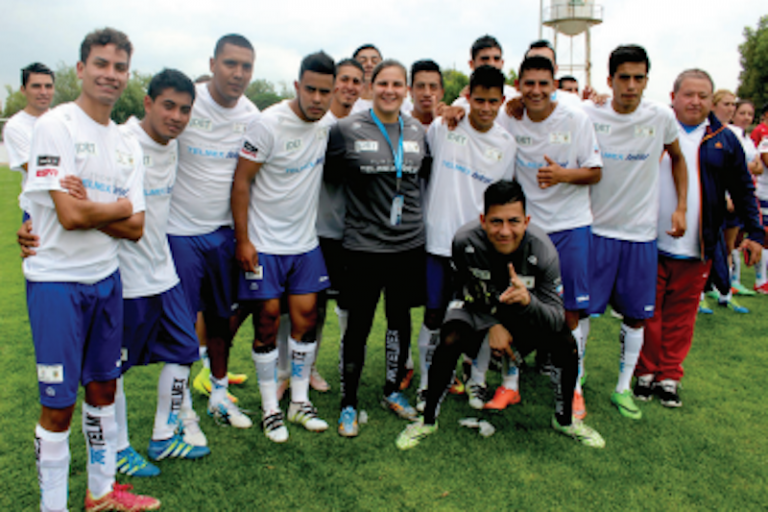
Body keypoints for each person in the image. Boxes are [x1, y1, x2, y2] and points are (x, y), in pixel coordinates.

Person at [20, 70, 211, 475]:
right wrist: (32, 223)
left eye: (184, 110)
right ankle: (119, 448)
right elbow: (50, 198)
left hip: (163, 270)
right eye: (168, 106)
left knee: (184, 350)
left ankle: (164, 436)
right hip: (121, 276)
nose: (176, 117)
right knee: (110, 371)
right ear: (147, 103)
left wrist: (93, 212)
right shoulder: (121, 140)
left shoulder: (177, 143)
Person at [21, 28, 159, 511]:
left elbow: (138, 226)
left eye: (120, 67)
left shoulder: (126, 143)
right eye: (101, 64)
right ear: (81, 69)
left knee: (103, 391)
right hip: (56, 281)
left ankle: (100, 493)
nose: (110, 74)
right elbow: (69, 216)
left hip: (106, 280)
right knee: (58, 408)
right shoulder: (56, 125)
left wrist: (103, 207)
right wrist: (117, 206)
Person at [395, 181, 605, 450]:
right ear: (483, 220)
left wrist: (528, 301)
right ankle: (427, 420)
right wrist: (494, 324)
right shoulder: (464, 241)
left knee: (565, 343)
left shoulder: (543, 250)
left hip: (525, 313)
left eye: (513, 221)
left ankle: (565, 421)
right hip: (481, 307)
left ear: (527, 221)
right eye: (496, 222)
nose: (505, 231)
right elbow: (463, 291)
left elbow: (555, 317)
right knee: (449, 337)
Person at [636, 69, 763, 408]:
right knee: (649, 312)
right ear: (673, 96)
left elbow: (744, 189)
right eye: (688, 94)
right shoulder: (652, 128)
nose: (695, 101)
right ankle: (645, 372)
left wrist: (757, 233)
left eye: (702, 96)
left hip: (698, 245)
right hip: (649, 240)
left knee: (682, 315)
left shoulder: (724, 139)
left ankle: (669, 376)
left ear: (712, 101)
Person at [231, 51, 336, 443]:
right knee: (268, 321)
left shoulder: (328, 123)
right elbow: (241, 183)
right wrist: (243, 240)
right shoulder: (268, 123)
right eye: (310, 89)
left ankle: (299, 401)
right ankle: (269, 409)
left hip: (304, 244)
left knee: (306, 319)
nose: (317, 99)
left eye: (324, 91)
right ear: (297, 86)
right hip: (265, 245)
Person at [581, 45, 687, 420]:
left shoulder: (660, 116)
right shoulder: (587, 113)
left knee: (637, 317)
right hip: (595, 231)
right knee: (581, 314)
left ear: (646, 79)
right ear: (609, 80)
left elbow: (677, 157)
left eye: (638, 77)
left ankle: (622, 387)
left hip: (640, 236)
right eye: (623, 77)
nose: (631, 85)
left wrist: (680, 206)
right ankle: (575, 383)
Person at [326, 59, 431, 437]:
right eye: (383, 83)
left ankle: (391, 391)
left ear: (405, 89)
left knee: (399, 321)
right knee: (358, 326)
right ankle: (349, 403)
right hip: (363, 246)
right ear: (371, 87)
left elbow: (423, 178)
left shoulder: (418, 130)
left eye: (397, 84)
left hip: (408, 245)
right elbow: (328, 178)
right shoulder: (345, 129)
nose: (390, 90)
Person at [494, 55, 602, 416]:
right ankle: (510, 384)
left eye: (544, 83)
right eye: (529, 84)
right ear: (519, 86)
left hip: (570, 225)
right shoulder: (509, 115)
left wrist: (562, 175)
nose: (536, 91)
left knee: (570, 311)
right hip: (526, 230)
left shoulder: (576, 119)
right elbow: (473, 109)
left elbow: (595, 172)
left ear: (555, 85)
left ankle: (573, 386)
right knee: (514, 303)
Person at [167, 34, 259, 431]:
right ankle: (180, 408)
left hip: (224, 233)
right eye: (230, 64)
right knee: (181, 326)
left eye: (246, 67)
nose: (238, 74)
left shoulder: (252, 115)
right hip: (180, 232)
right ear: (212, 63)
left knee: (221, 321)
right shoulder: (187, 102)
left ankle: (218, 396)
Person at [417, 65, 517, 412]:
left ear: (502, 101)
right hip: (439, 242)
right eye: (479, 100)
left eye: (493, 102)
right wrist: (450, 109)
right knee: (434, 315)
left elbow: (502, 199)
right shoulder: (445, 128)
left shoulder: (506, 144)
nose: (486, 108)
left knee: (479, 318)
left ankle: (477, 381)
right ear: (468, 98)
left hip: (480, 249)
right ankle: (427, 384)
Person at [700, 89, 753, 313]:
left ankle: (724, 291)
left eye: (734, 104)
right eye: (727, 104)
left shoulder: (735, 134)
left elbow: (744, 170)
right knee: (705, 247)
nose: (731, 109)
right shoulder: (709, 131)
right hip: (711, 202)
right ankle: (703, 294)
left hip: (727, 203)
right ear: (714, 105)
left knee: (726, 247)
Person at [2, 62, 55, 218]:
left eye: (48, 86)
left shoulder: (64, 121)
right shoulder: (15, 127)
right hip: (37, 212)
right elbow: (37, 170)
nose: (43, 92)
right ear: (23, 90)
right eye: (36, 86)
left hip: (69, 209)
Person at [725, 99, 762, 296]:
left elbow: (758, 168)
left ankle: (733, 281)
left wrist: (746, 167)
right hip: (730, 195)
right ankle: (719, 285)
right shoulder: (729, 134)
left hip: (745, 194)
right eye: (742, 113)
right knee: (724, 243)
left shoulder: (746, 139)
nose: (746, 117)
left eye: (750, 114)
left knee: (733, 244)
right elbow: (731, 168)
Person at [409, 59, 445, 127]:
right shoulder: (398, 124)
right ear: (410, 91)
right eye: (420, 86)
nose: (427, 93)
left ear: (442, 93)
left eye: (433, 87)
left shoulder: (451, 125)